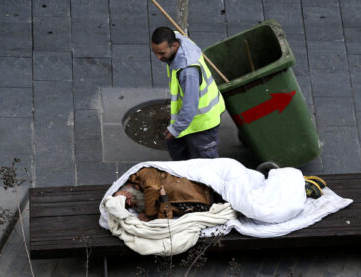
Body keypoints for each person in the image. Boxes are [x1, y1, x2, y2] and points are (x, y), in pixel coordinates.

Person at [113, 166, 327, 221]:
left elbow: (152, 187)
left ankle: (293, 181)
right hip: (211, 203)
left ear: (125, 186)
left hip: (214, 185)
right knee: (261, 211)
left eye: (123, 197)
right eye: (127, 205)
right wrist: (160, 206)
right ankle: (295, 188)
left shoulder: (143, 174)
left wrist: (150, 212)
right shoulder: (153, 203)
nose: (129, 202)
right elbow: (165, 218)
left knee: (257, 205)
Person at [150, 26, 225, 160]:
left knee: (206, 166)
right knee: (175, 146)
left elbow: (190, 107)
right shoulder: (178, 38)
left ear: (174, 46)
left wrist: (175, 129)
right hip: (191, 120)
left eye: (161, 53)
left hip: (202, 125)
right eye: (155, 52)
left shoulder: (188, 72)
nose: (158, 57)